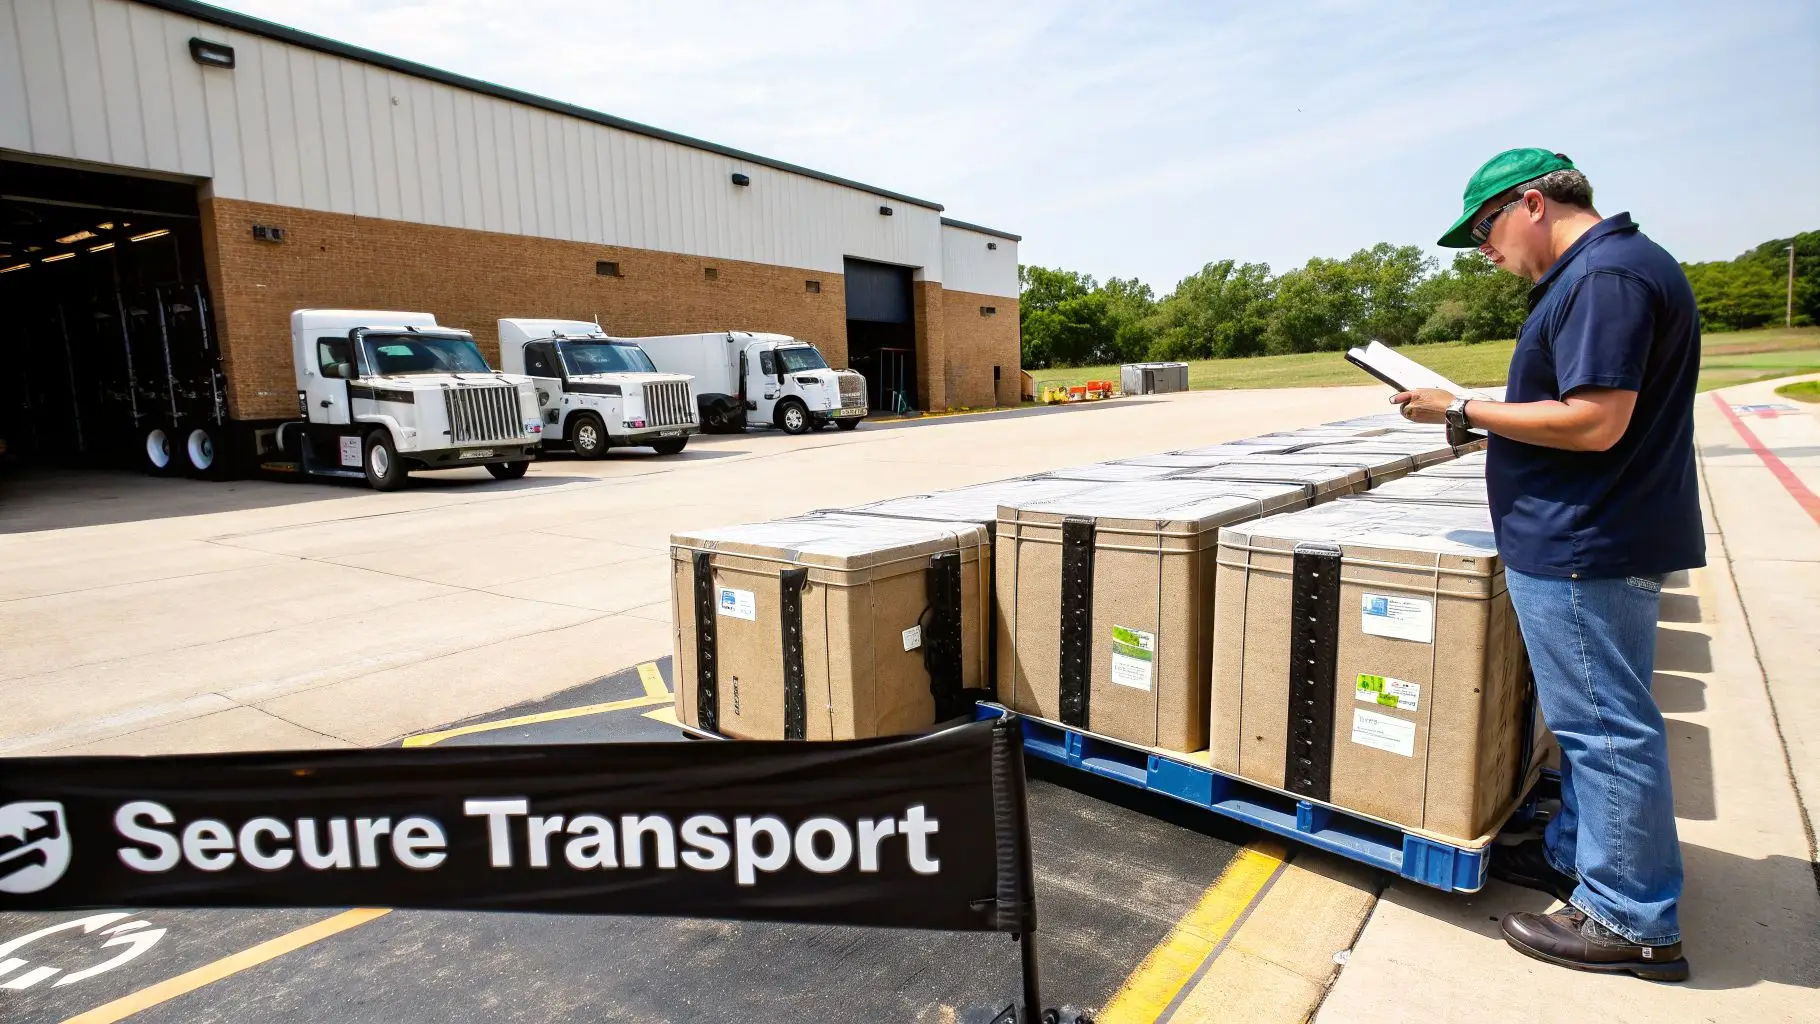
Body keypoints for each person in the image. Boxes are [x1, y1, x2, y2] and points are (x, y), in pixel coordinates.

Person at [1393, 148, 1702, 982]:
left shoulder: (1605, 278)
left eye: (1485, 230)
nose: (1485, 252)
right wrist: (1478, 413)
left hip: (1584, 541)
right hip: (1595, 535)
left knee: (1605, 728)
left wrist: (1458, 406)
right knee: (1591, 723)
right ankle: (1578, 855)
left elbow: (1596, 422)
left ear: (1532, 202)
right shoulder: (1611, 271)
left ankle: (1630, 916)